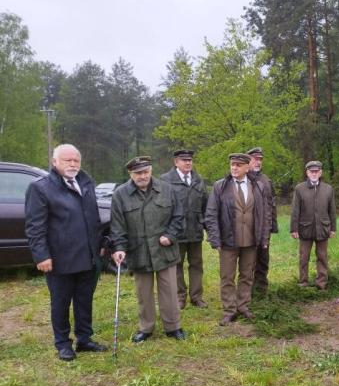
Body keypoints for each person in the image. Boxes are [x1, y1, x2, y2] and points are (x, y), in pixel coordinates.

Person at [25, 144, 107, 361]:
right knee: (60, 302)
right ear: (55, 162)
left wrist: (98, 243)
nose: (72, 164)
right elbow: (35, 226)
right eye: (67, 160)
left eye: (76, 160)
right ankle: (62, 343)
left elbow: (94, 218)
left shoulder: (86, 183)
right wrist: (41, 255)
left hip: (88, 257)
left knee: (84, 300)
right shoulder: (40, 188)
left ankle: (84, 339)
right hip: (60, 259)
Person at [110, 156, 186, 342]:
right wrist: (119, 247)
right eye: (137, 173)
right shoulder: (120, 194)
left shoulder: (167, 190)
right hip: (139, 251)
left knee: (169, 291)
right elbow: (117, 226)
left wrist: (170, 235)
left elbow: (178, 217)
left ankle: (173, 326)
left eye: (145, 172)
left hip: (164, 250)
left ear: (151, 171)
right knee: (143, 294)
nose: (142, 176)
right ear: (131, 174)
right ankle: (146, 328)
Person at [205, 153, 271, 326]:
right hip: (228, 241)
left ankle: (243, 306)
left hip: (251, 240)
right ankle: (229, 310)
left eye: (238, 165)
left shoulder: (258, 186)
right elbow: (211, 214)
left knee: (247, 275)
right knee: (227, 277)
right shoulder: (220, 186)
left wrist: (264, 238)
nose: (234, 168)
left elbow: (265, 214)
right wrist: (215, 239)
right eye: (232, 164)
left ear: (247, 168)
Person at [160, 149, 208, 309]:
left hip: (195, 231)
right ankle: (180, 297)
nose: (188, 163)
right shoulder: (165, 180)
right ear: (176, 162)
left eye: (190, 160)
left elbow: (206, 206)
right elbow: (161, 207)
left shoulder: (198, 179)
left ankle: (196, 297)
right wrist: (165, 232)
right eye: (184, 160)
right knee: (176, 266)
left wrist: (208, 228)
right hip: (175, 233)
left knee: (196, 265)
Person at [290, 160, 336, 290]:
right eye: (312, 171)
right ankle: (303, 283)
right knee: (304, 257)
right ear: (307, 173)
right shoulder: (300, 188)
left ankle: (321, 283)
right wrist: (294, 228)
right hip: (305, 229)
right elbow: (295, 210)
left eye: (316, 171)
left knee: (322, 256)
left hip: (323, 228)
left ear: (320, 172)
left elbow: (332, 210)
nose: (314, 174)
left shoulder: (328, 189)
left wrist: (333, 228)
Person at [247, 147, 278, 292]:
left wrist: (273, 225)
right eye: (255, 159)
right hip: (248, 229)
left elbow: (272, 204)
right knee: (249, 261)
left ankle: (261, 288)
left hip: (264, 229)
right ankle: (247, 290)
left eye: (260, 159)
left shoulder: (266, 180)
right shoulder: (243, 179)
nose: (258, 162)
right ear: (248, 160)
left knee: (263, 259)